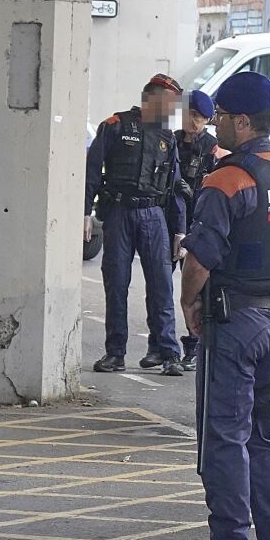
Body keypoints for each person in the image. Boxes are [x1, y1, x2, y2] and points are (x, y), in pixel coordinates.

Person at [172, 71, 270, 540]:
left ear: (240, 120)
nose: (214, 127)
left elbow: (201, 257)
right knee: (261, 438)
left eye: (220, 119)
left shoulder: (228, 178)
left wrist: (188, 304)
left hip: (235, 325)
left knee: (223, 442)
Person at [85, 74, 186, 375]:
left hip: (154, 215)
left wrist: (179, 230)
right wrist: (85, 213)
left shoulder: (168, 138)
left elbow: (175, 187)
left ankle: (169, 353)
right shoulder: (115, 126)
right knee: (116, 284)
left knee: (161, 286)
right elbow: (90, 172)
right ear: (150, 99)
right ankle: (115, 353)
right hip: (118, 212)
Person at [174, 89, 222, 368]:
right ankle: (165, 346)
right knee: (161, 291)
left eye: (201, 119)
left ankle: (196, 345)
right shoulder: (170, 140)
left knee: (196, 289)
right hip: (170, 222)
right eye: (191, 116)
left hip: (197, 225)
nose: (195, 124)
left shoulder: (211, 147)